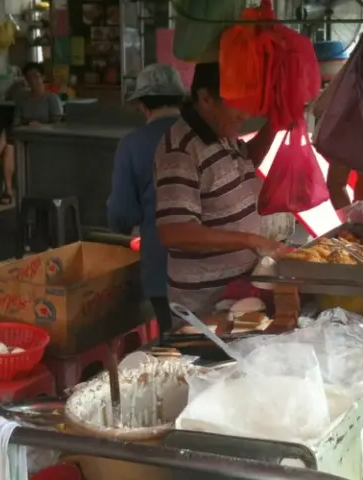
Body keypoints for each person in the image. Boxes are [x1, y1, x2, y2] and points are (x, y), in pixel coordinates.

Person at [154, 62, 286, 317]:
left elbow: (245, 163)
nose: (245, 115)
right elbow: (174, 232)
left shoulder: (220, 132)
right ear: (205, 98)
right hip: (204, 304)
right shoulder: (180, 151)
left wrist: (274, 125)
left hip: (236, 290)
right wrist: (250, 240)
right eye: (237, 103)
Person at [106, 63, 186, 334]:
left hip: (164, 267)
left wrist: (121, 227)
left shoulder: (132, 144)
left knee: (176, 345)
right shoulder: (202, 135)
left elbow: (122, 212)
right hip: (218, 263)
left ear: (143, 105)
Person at [0, 62, 64, 205]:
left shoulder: (51, 98)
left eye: (36, 77)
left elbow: (59, 123)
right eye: (29, 78)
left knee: (6, 137)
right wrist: (25, 126)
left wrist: (42, 126)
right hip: (24, 134)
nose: (33, 81)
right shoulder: (22, 99)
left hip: (45, 135)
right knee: (9, 145)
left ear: (42, 77)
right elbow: (16, 121)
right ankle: (8, 190)